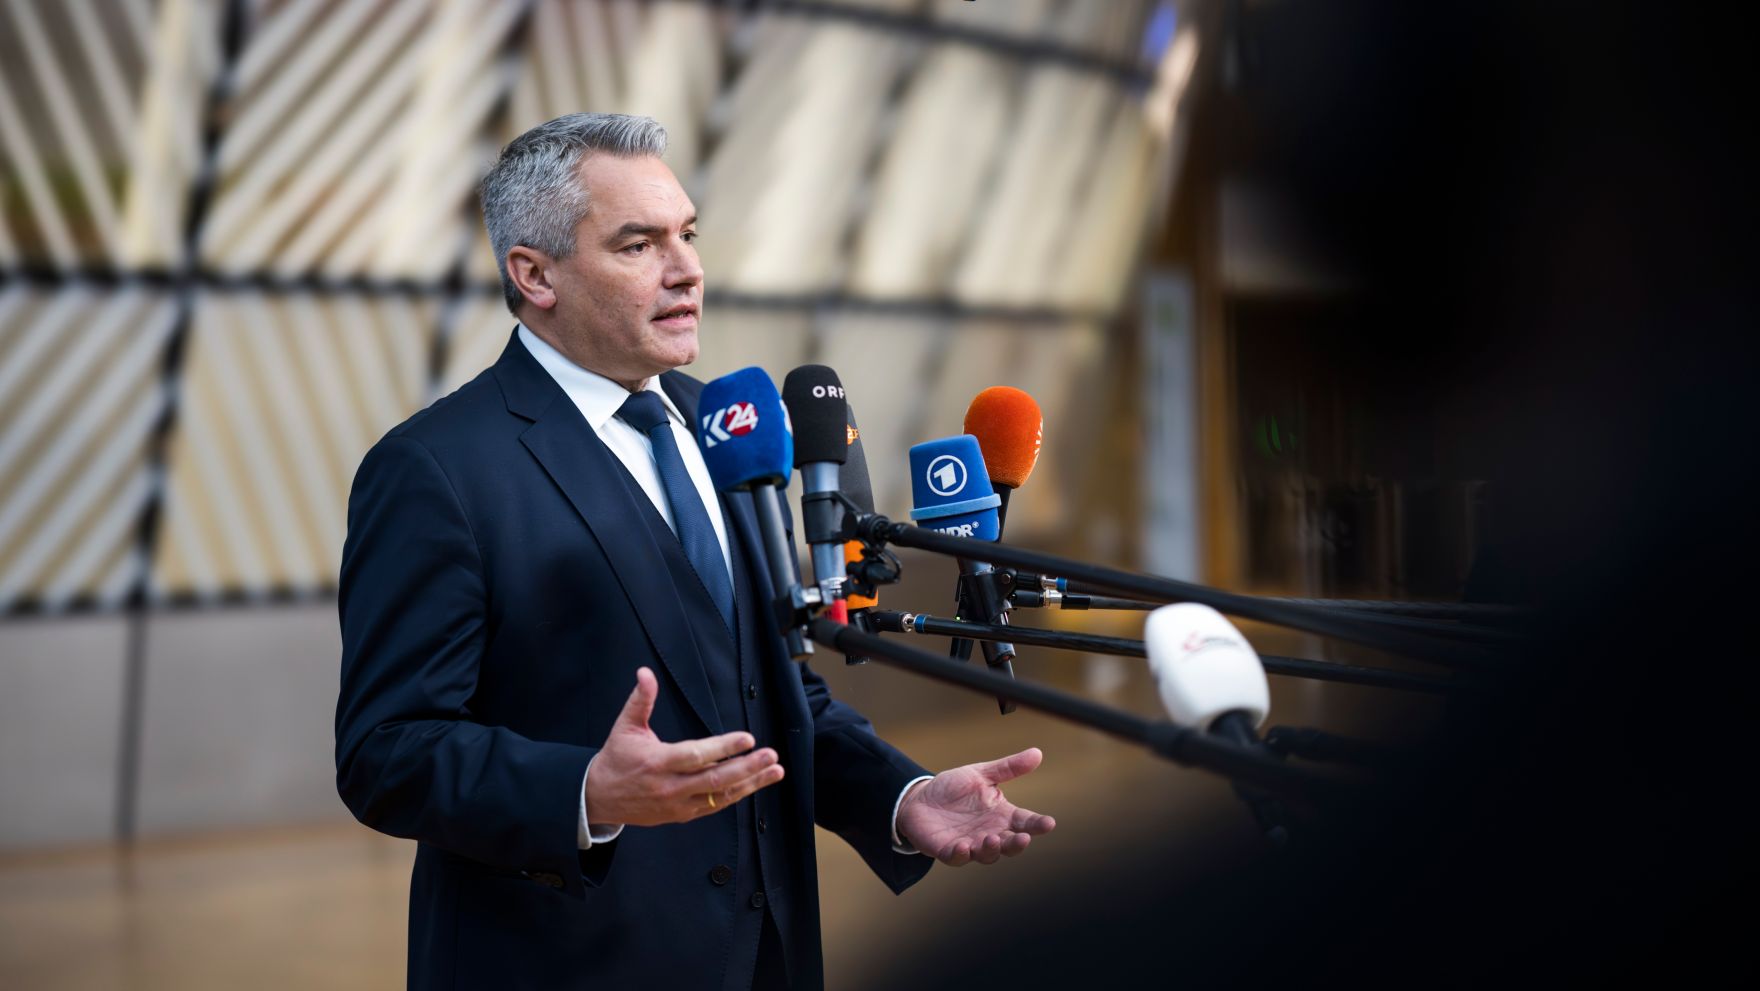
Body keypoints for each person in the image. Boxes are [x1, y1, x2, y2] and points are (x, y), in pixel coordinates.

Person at [334, 112, 1056, 990]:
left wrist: (901, 798)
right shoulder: (436, 468)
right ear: (535, 274)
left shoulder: (729, 428)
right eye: (638, 244)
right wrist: (587, 792)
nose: (688, 270)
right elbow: (387, 750)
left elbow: (773, 687)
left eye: (687, 234)